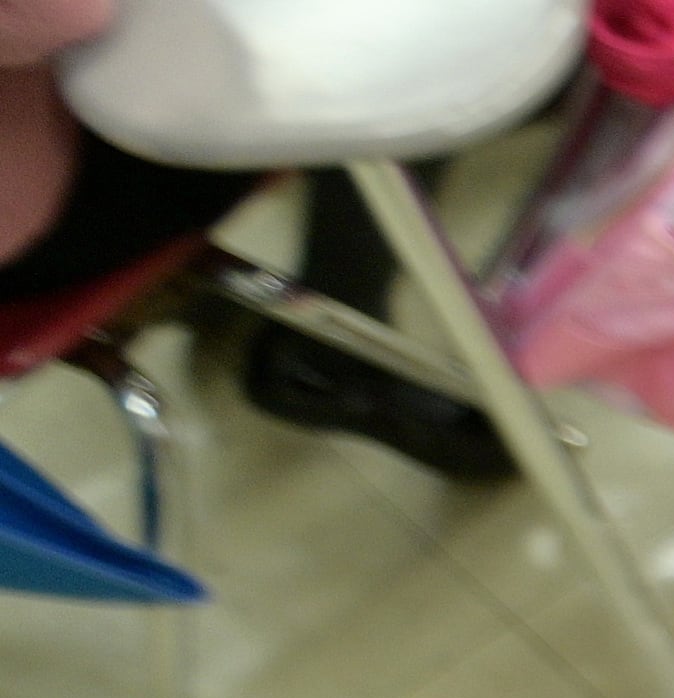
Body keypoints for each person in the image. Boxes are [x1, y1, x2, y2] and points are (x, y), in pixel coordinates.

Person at [0, 2, 510, 477]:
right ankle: (329, 361)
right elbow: (66, 15)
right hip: (45, 225)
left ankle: (188, 295)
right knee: (395, 60)